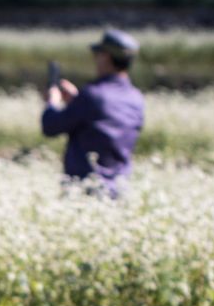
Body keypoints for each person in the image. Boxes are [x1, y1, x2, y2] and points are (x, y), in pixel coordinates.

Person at [41, 29, 145, 197]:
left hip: (84, 192)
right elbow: (105, 119)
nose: (96, 59)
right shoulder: (136, 98)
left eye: (98, 53)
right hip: (120, 190)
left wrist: (52, 102)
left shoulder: (93, 95)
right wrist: (76, 101)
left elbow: (50, 126)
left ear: (106, 57)